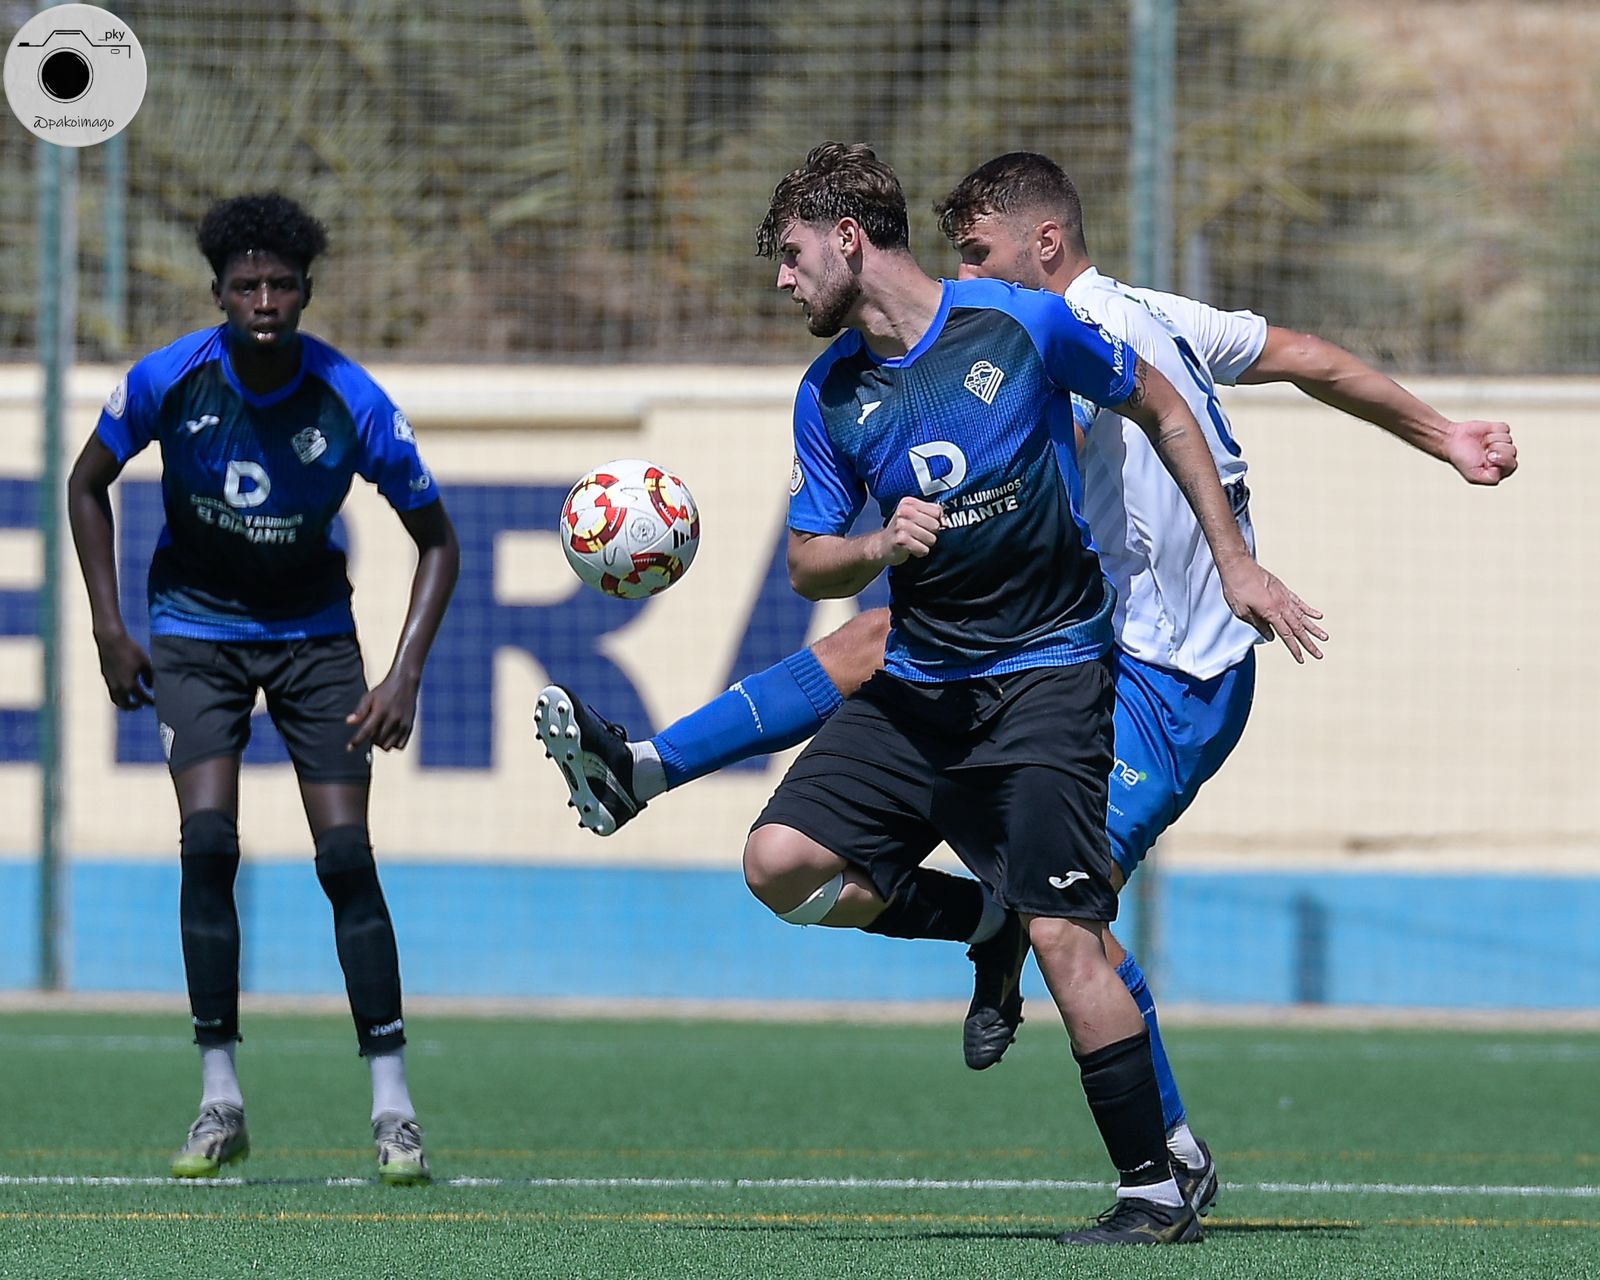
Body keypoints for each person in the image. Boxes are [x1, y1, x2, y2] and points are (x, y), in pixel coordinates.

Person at [535, 151, 1516, 1217]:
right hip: (987, 661)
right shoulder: (853, 383)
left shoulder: (1053, 324)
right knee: (849, 730)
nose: (967, 266)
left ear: (1038, 242)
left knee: (1069, 923)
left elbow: (1200, 394)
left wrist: (1242, 555)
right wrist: (1447, 435)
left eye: (979, 248)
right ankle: (654, 770)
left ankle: (1164, 1160)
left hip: (1153, 673)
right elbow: (1301, 354)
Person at [66, 193, 460, 1186]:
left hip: (315, 640)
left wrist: (403, 667)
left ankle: (393, 1106)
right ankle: (219, 1096)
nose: (265, 299)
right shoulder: (170, 379)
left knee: (344, 858)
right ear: (220, 293)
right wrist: (112, 627)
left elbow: (438, 540)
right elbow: (85, 482)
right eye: (247, 285)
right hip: (193, 632)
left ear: (306, 292)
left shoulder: (352, 401)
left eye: (282, 284)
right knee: (207, 843)